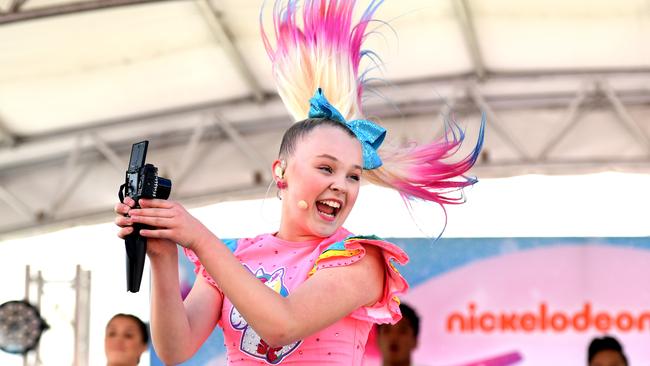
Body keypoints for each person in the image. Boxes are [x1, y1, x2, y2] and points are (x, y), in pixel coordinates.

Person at [114, 0, 484, 364]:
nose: (342, 184)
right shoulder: (233, 255)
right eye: (326, 168)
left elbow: (283, 325)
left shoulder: (360, 258)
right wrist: (162, 252)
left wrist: (198, 237)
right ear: (281, 172)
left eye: (353, 175)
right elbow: (175, 348)